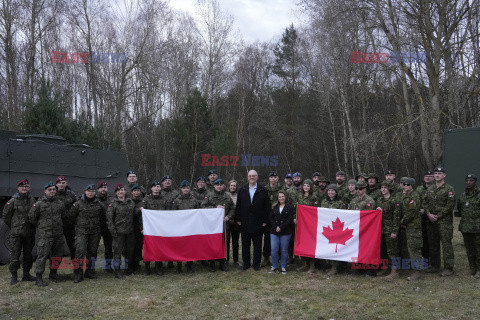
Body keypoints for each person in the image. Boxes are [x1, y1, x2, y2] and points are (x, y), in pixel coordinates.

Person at [28, 182, 67, 286]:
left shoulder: (59, 203)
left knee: (57, 255)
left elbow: (63, 216)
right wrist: (42, 226)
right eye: (50, 189)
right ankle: (39, 277)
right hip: (45, 234)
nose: (52, 191)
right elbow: (32, 218)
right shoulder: (39, 204)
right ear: (45, 191)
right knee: (42, 256)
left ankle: (53, 273)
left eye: (54, 189)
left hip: (58, 234)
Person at [235, 170, 270, 271]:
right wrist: (238, 219)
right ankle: (246, 264)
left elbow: (266, 207)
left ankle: (256, 264)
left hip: (258, 222)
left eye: (254, 176)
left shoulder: (263, 190)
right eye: (250, 176)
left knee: (257, 245)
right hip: (245, 221)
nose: (252, 177)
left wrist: (265, 220)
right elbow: (238, 205)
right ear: (247, 177)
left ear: (257, 177)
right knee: (245, 245)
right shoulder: (242, 189)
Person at [3, 179, 36, 285]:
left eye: (26, 186)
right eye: (22, 187)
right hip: (17, 233)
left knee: (28, 255)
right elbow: (6, 217)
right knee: (15, 255)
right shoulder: (12, 201)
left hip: (29, 233)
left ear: (29, 188)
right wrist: (14, 227)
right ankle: (14, 276)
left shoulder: (32, 200)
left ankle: (26, 274)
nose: (24, 188)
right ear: (18, 188)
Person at [69, 184, 105, 283]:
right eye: (89, 191)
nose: (91, 193)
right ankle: (78, 274)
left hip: (95, 232)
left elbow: (103, 216)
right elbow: (72, 217)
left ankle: (90, 272)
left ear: (95, 192)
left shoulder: (99, 204)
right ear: (85, 192)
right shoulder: (78, 204)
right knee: (80, 252)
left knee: (92, 252)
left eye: (93, 191)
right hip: (81, 232)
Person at [424, 166, 455, 276]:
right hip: (431, 221)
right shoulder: (430, 188)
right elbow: (425, 202)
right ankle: (435, 266)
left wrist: (438, 215)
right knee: (433, 244)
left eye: (439, 173)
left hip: (444, 222)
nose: (437, 175)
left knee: (446, 245)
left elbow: (450, 205)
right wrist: (428, 214)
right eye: (436, 173)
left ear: (444, 175)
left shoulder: (449, 189)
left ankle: (448, 268)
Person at [201, 179, 235, 272]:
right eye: (217, 185)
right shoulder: (209, 195)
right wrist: (215, 208)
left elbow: (232, 208)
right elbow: (203, 207)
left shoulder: (227, 195)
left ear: (223, 186)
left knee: (224, 242)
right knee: (212, 243)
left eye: (221, 185)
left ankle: (222, 262)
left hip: (224, 224)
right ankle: (212, 263)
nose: (219, 186)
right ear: (214, 186)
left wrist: (228, 216)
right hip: (212, 225)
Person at [107, 183, 136, 278]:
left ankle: (128, 268)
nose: (121, 192)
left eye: (122, 190)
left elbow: (135, 214)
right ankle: (117, 271)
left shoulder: (130, 202)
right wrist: (113, 232)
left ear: (125, 191)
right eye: (118, 190)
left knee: (129, 251)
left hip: (130, 231)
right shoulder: (112, 204)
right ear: (116, 192)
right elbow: (109, 220)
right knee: (118, 252)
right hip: (118, 232)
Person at [398, 178, 424, 281]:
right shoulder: (405, 196)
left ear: (412, 185)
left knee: (414, 249)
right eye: (404, 184)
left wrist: (402, 222)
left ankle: (418, 272)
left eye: (407, 184)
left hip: (413, 226)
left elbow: (411, 212)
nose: (405, 186)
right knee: (408, 249)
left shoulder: (414, 196)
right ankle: (411, 269)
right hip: (407, 226)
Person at [456, 173, 480, 278]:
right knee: (469, 249)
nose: (469, 182)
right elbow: (460, 209)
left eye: (471, 181)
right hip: (466, 227)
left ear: (475, 182)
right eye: (467, 181)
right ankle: (472, 268)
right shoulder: (462, 195)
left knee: (478, 249)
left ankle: (479, 270)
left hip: (477, 227)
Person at [172, 180, 199, 273]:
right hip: (180, 227)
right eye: (184, 188)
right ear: (181, 189)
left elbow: (198, 212)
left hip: (191, 227)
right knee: (179, 247)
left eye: (187, 188)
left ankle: (189, 265)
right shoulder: (176, 200)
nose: (186, 190)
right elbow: (173, 214)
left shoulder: (194, 199)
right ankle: (179, 265)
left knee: (189, 247)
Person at [376, 181, 401, 280]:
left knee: (393, 251)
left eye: (385, 187)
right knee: (383, 250)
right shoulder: (379, 200)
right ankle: (385, 268)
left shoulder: (394, 200)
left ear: (389, 189)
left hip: (390, 229)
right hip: (380, 229)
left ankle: (395, 271)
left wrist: (394, 231)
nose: (383, 189)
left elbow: (396, 217)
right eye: (382, 187)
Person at [141, 180, 167, 275]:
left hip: (160, 228)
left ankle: (158, 267)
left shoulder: (164, 199)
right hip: (149, 228)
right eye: (154, 186)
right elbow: (141, 215)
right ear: (151, 188)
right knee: (148, 247)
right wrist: (142, 227)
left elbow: (168, 214)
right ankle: (147, 267)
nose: (156, 188)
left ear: (160, 188)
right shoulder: (146, 199)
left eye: (158, 186)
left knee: (159, 247)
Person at [321, 184, 347, 276]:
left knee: (335, 247)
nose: (330, 192)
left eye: (333, 191)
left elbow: (343, 215)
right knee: (328, 246)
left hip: (336, 228)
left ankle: (335, 267)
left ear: (336, 192)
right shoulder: (324, 202)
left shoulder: (340, 203)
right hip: (327, 227)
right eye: (329, 191)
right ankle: (329, 265)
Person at [297, 179, 319, 274]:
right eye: (304, 185)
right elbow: (296, 208)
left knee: (310, 244)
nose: (306, 187)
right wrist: (295, 217)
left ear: (311, 187)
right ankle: (304, 263)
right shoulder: (300, 196)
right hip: (301, 224)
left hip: (310, 224)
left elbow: (316, 210)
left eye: (308, 186)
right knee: (302, 243)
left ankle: (312, 266)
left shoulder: (314, 197)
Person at [269, 191, 294, 274]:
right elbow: (271, 218)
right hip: (274, 231)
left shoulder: (290, 207)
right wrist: (276, 226)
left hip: (286, 231)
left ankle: (283, 266)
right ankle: (274, 266)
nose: (281, 198)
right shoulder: (274, 206)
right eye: (279, 197)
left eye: (283, 196)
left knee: (284, 250)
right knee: (274, 249)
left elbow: (290, 219)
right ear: (277, 198)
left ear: (286, 197)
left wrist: (281, 227)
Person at [263, 171, 283, 267]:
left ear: (277, 178)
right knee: (267, 238)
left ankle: (278, 259)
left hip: (278, 217)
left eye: (275, 177)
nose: (273, 179)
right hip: (267, 217)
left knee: (278, 237)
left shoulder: (281, 188)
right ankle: (266, 258)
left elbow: (285, 200)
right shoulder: (264, 189)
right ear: (269, 179)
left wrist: (277, 204)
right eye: (272, 177)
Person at [55, 176, 77, 261]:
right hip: (57, 225)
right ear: (56, 184)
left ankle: (76, 269)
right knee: (56, 248)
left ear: (66, 184)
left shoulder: (71, 194)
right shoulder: (53, 194)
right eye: (59, 183)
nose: (61, 185)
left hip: (69, 224)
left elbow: (77, 206)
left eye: (63, 183)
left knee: (73, 246)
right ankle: (54, 271)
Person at [96, 181, 113, 272]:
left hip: (107, 226)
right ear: (98, 189)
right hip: (96, 226)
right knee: (93, 248)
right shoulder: (94, 199)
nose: (103, 189)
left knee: (109, 247)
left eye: (105, 187)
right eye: (101, 187)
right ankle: (91, 268)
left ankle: (109, 265)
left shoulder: (111, 200)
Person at [226, 180, 241, 266]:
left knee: (235, 242)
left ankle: (235, 260)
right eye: (231, 185)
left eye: (234, 186)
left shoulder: (239, 196)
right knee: (226, 241)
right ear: (228, 186)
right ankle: (226, 260)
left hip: (236, 222)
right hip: (227, 221)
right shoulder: (225, 195)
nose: (233, 187)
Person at [130, 184, 145, 273]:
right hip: (130, 227)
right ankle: (130, 265)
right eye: (135, 191)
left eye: (138, 191)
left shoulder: (143, 202)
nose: (136, 192)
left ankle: (136, 264)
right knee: (131, 246)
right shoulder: (128, 201)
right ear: (132, 192)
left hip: (140, 227)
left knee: (138, 246)